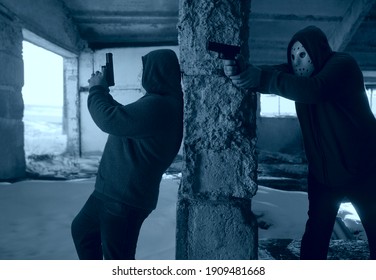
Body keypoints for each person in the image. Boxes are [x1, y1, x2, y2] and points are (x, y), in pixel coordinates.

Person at [223, 25, 376, 259]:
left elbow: (315, 89)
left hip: (365, 171)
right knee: (315, 235)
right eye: (293, 56)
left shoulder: (342, 65)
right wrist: (242, 69)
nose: (297, 62)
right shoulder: (298, 73)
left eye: (303, 54)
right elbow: (271, 72)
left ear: (317, 51)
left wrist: (261, 78)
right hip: (324, 175)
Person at [71, 49, 183, 260]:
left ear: (156, 72)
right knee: (83, 231)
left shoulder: (160, 105)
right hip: (111, 192)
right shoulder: (159, 102)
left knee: (118, 260)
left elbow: (110, 120)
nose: (141, 76)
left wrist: (96, 89)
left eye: (144, 70)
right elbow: (125, 119)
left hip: (125, 199)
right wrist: (104, 93)